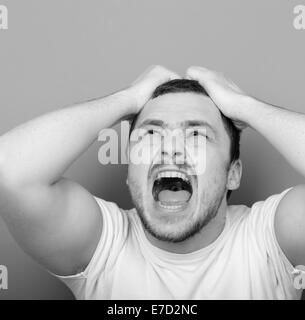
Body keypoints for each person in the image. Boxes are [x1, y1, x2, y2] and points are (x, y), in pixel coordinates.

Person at [0, 65, 305, 300]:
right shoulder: (104, 246)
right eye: (152, 134)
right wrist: (126, 99)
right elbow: (10, 170)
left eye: (196, 135)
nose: (170, 148)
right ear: (130, 171)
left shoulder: (268, 241)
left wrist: (245, 106)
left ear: (233, 173)